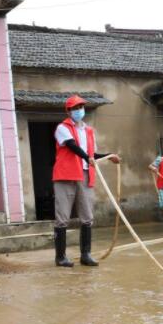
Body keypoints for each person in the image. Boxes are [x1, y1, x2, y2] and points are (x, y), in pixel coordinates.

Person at [52, 95, 121, 267]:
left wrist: (109, 156)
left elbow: (92, 155)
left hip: (85, 175)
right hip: (65, 175)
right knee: (62, 217)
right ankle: (60, 257)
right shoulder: (62, 127)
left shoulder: (89, 131)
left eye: (81, 107)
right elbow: (71, 146)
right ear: (68, 111)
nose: (79, 111)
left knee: (87, 217)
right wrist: (87, 157)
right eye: (75, 108)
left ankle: (86, 255)